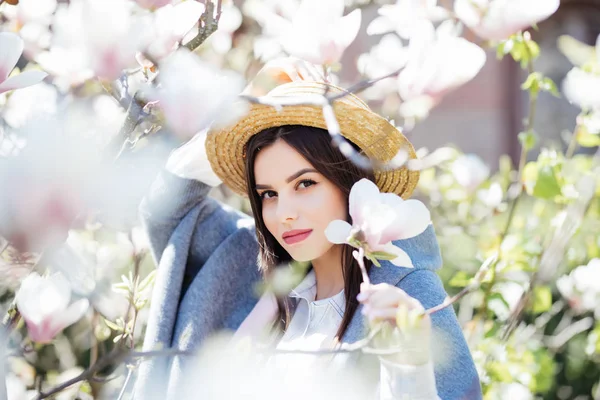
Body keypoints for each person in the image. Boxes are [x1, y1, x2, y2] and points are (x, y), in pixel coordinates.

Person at [132, 60, 482, 399]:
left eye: (305, 184)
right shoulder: (244, 268)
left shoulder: (403, 297)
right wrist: (241, 110)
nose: (283, 213)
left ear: (348, 182)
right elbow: (166, 211)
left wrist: (409, 369)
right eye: (268, 194)